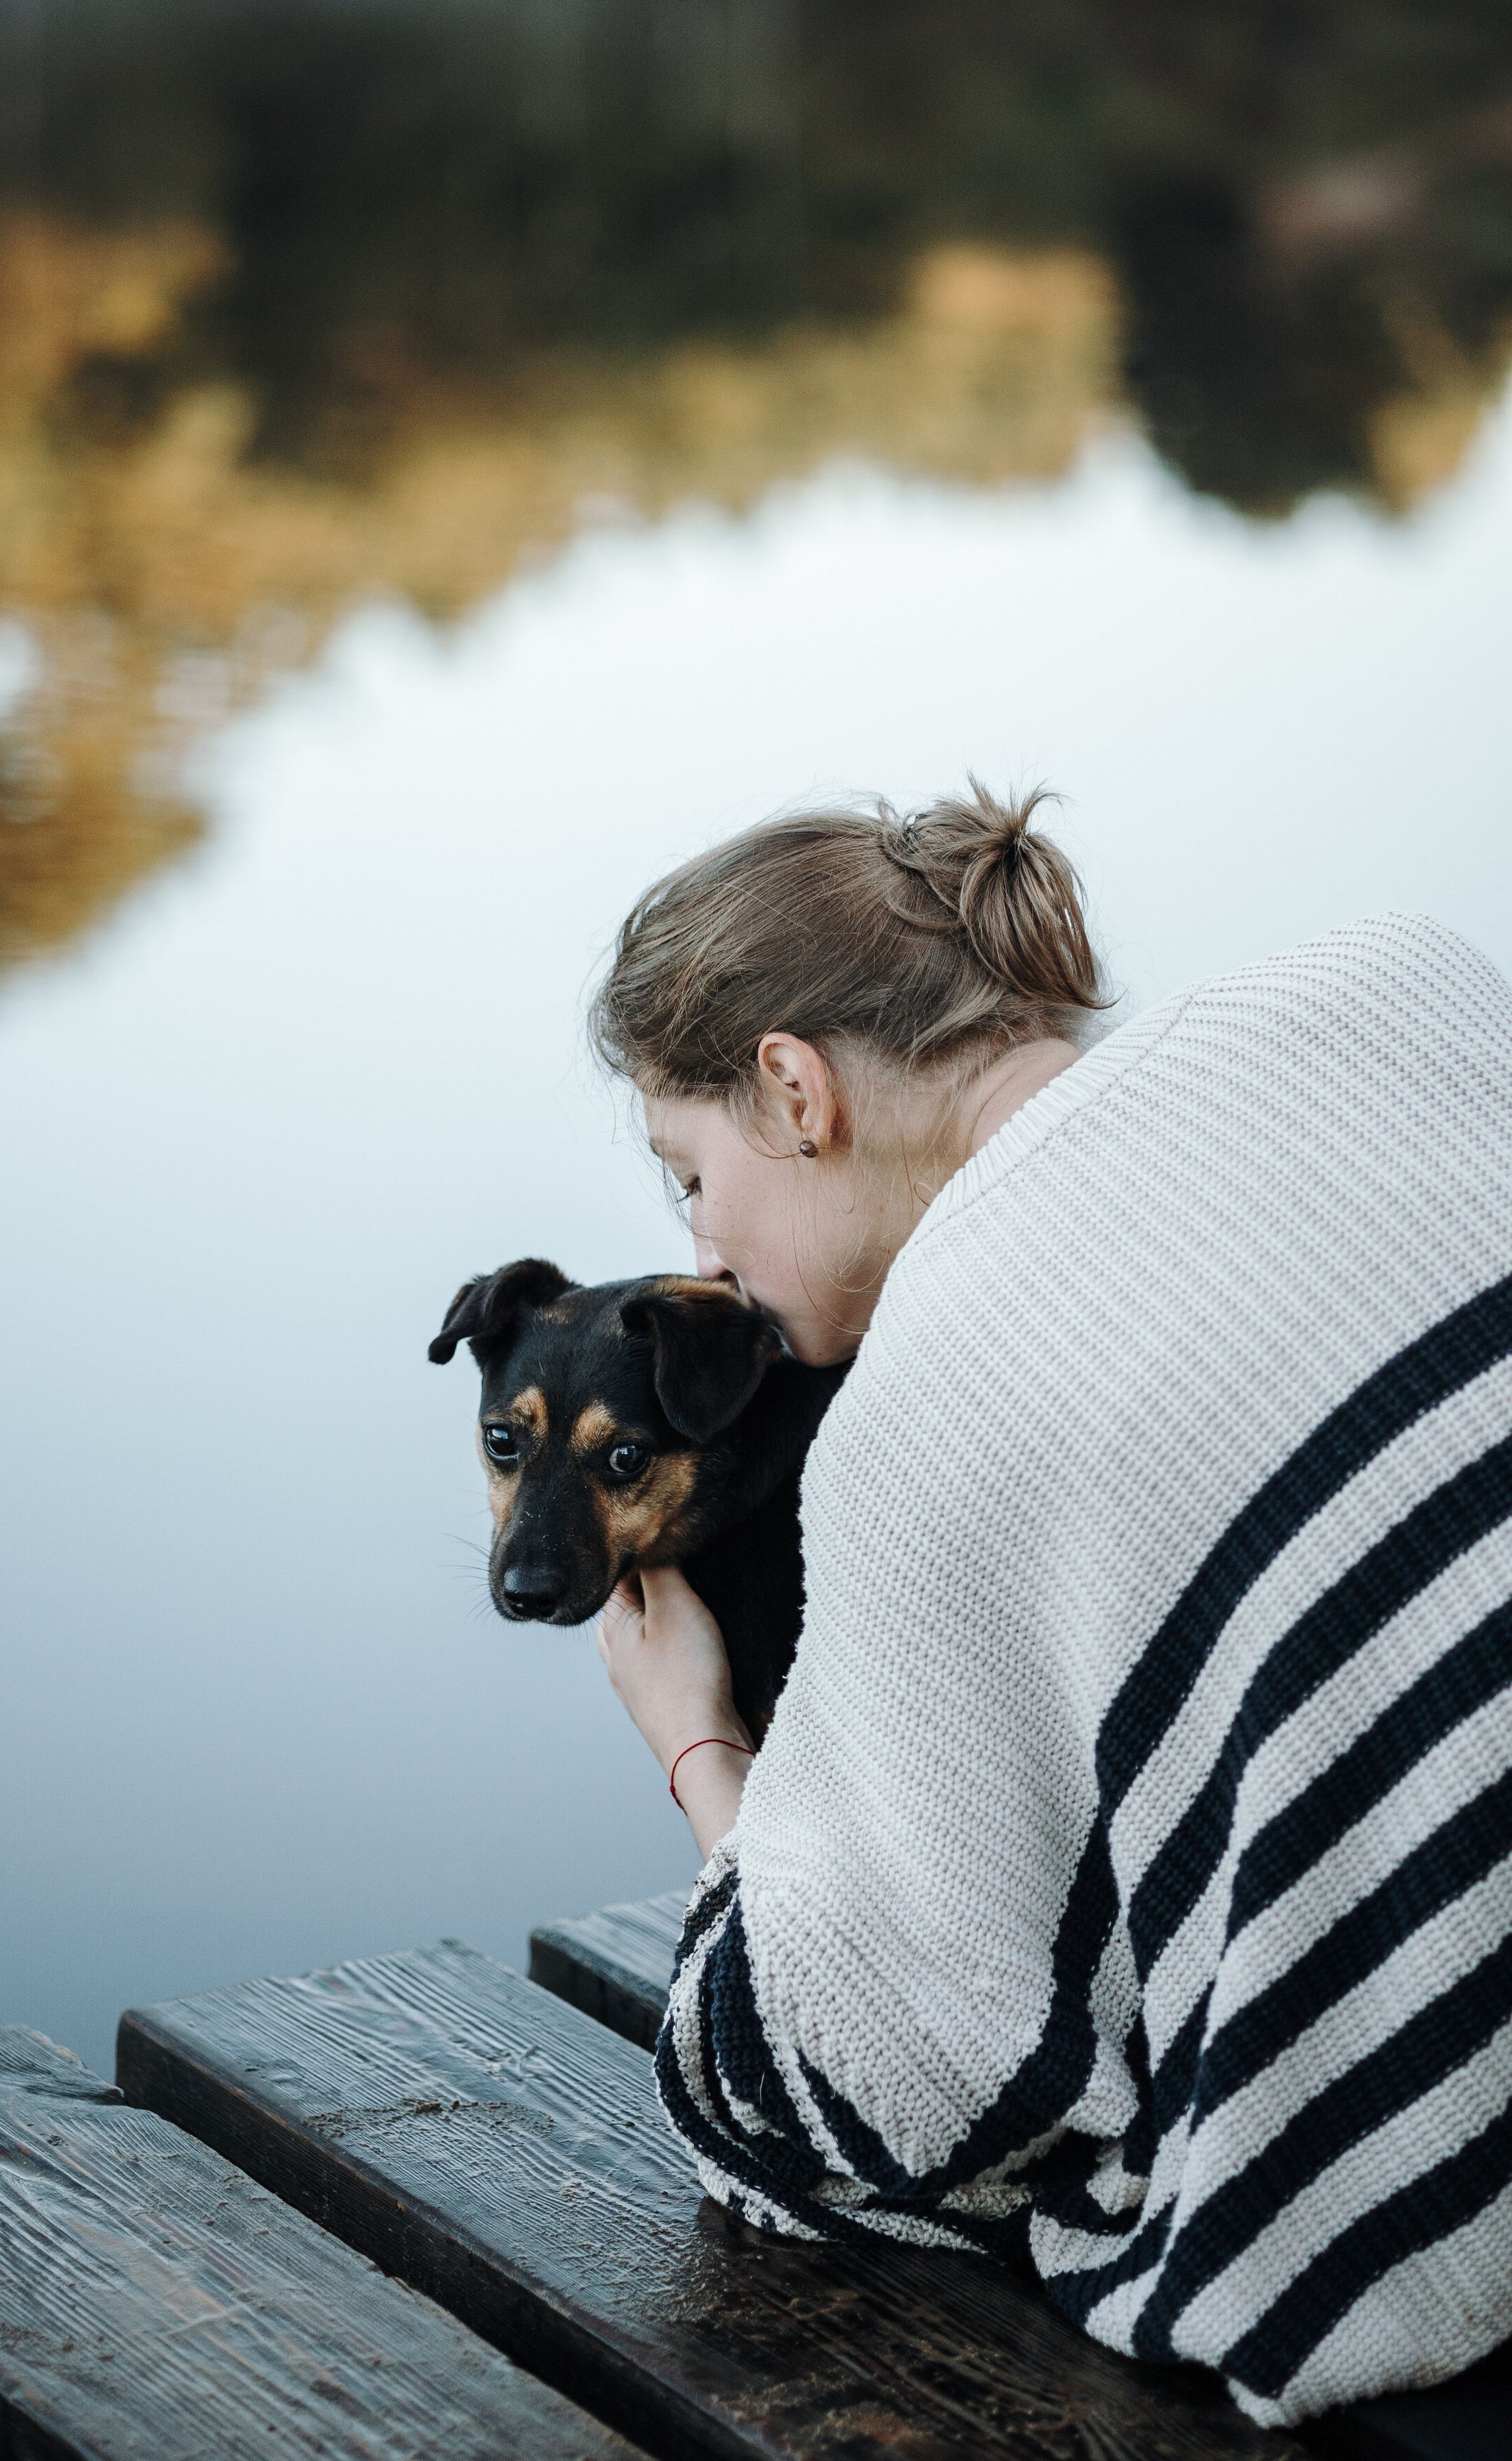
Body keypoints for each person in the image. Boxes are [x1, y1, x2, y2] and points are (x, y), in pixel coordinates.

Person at [589, 786, 1512, 2429]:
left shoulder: (931, 1399)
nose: (707, 1254)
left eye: (688, 1176)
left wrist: (699, 1749)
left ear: (794, 1093)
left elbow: (834, 2091)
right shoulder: (1400, 990)